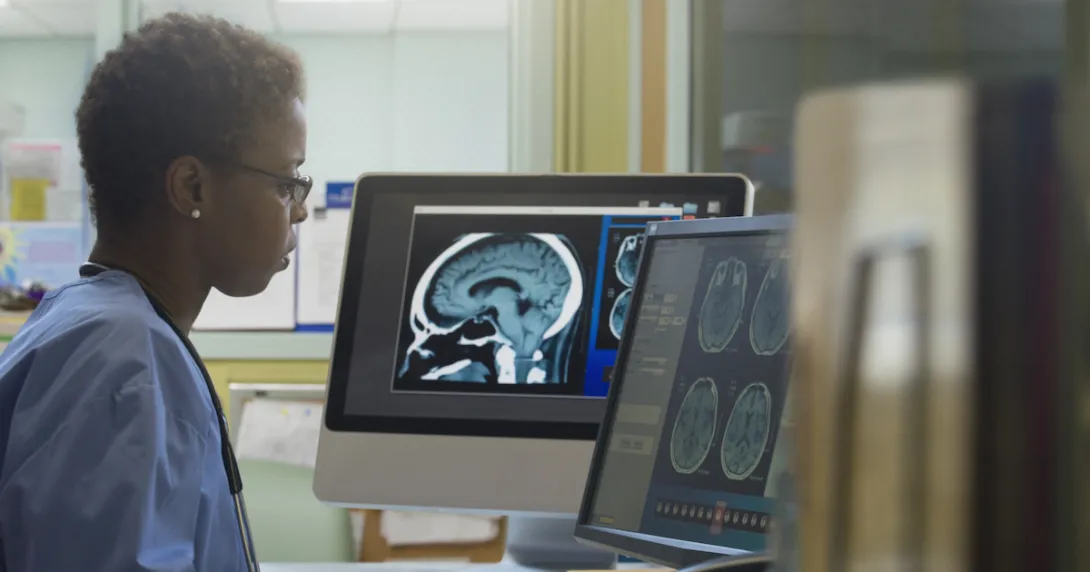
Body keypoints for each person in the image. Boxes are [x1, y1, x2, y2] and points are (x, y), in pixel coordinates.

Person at [0, 12, 310, 571]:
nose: (301, 211)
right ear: (192, 187)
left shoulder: (87, 322)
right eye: (287, 182)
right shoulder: (125, 368)